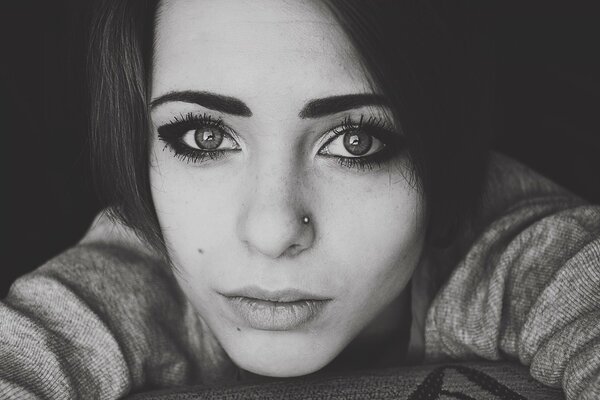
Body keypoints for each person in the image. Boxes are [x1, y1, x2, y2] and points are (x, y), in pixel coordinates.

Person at [1, 0, 598, 399]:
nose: (272, 229)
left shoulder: (528, 256)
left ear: (445, 147)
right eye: (204, 138)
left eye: (356, 140)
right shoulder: (116, 286)